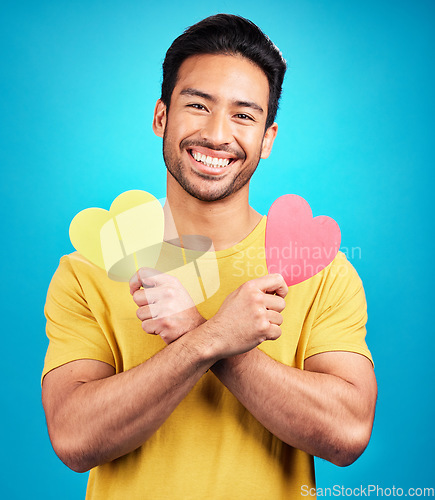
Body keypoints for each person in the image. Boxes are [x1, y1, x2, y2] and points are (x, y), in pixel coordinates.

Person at [41, 14, 377, 500]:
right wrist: (212, 338)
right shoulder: (88, 268)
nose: (218, 135)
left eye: (244, 115)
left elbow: (347, 435)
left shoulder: (322, 269)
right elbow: (74, 439)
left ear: (268, 139)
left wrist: (202, 333)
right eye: (197, 106)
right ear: (161, 117)